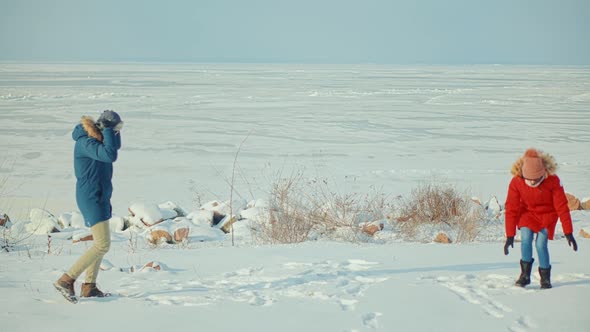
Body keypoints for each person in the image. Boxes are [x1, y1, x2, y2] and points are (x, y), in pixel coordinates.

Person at [54, 110, 123, 303]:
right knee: (102, 245)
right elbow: (110, 155)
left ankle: (89, 287)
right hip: (91, 197)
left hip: (99, 195)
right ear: (102, 128)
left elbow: (114, 146)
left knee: (100, 244)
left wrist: (113, 130)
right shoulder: (86, 143)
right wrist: (109, 129)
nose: (115, 132)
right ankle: (66, 280)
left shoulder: (96, 139)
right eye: (114, 129)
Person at [503, 148, 578, 289]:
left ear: (543, 173)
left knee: (540, 244)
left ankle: (545, 278)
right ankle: (525, 275)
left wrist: (568, 232)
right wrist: (510, 235)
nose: (531, 182)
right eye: (528, 179)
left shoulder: (553, 181)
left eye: (535, 179)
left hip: (547, 215)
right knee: (525, 239)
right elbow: (511, 209)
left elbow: (562, 207)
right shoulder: (516, 182)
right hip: (527, 214)